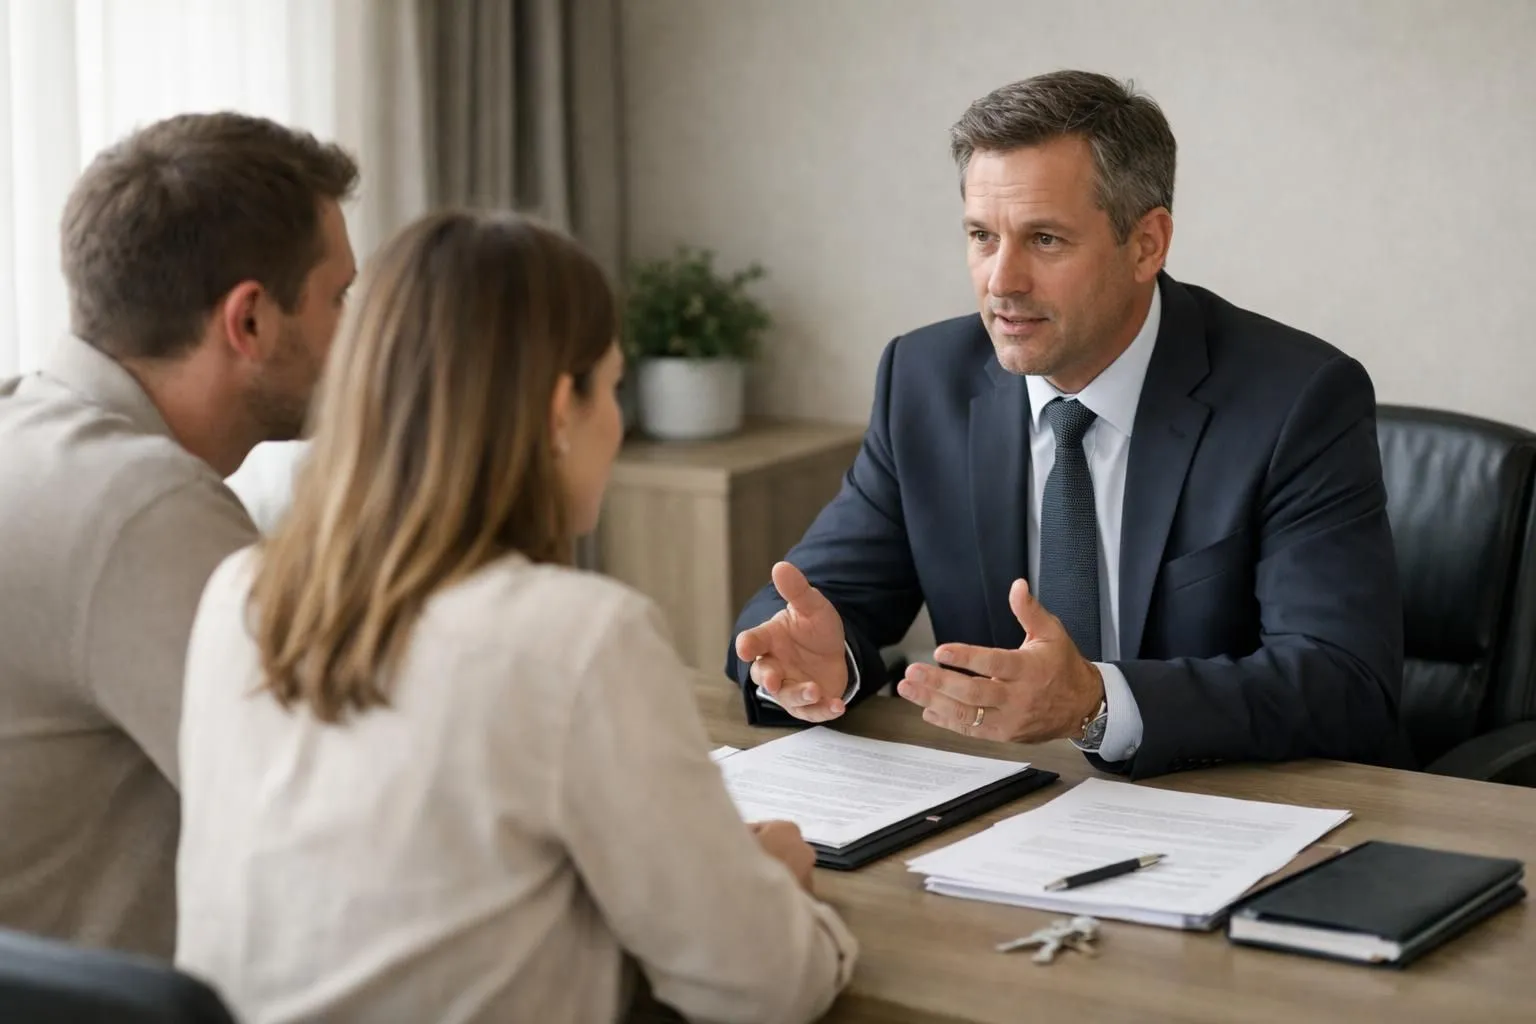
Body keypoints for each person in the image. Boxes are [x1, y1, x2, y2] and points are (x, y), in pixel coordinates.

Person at [173, 211, 857, 1024]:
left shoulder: (238, 595)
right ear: (558, 409)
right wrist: (779, 884)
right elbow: (767, 987)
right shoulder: (576, 637)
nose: (617, 422)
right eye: (611, 387)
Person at [727, 70, 1409, 779]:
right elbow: (816, 601)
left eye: (1045, 240)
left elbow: (1345, 684)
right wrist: (811, 659)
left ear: (1147, 244)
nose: (1002, 280)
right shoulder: (925, 381)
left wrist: (1098, 704)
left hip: (1239, 808)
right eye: (982, 236)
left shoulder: (1295, 399)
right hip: (1014, 811)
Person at [0, 112, 358, 956]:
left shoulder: (28, 429)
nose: (362, 336)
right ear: (250, 322)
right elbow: (342, 830)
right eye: (340, 298)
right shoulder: (142, 507)